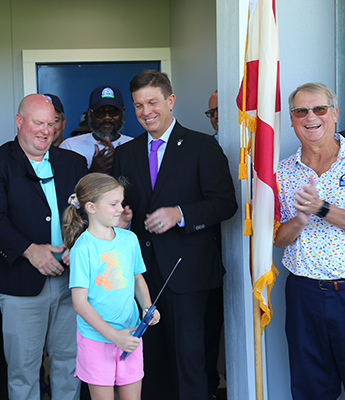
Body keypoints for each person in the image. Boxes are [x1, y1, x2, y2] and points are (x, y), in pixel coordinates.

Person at [111, 70, 237, 400]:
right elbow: (123, 206)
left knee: (189, 364)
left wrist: (180, 214)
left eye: (152, 102)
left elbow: (225, 204)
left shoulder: (201, 145)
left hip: (188, 276)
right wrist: (121, 216)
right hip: (141, 277)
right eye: (138, 105)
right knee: (148, 362)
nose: (146, 112)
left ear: (170, 101)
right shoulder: (126, 153)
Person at [0, 94, 88, 400]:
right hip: (20, 281)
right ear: (20, 121)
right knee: (23, 368)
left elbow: (87, 212)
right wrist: (31, 250)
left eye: (51, 124)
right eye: (38, 122)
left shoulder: (74, 163)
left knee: (70, 363)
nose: (45, 130)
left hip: (70, 279)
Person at [274, 82, 345, 400]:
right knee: (311, 388)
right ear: (291, 119)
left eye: (319, 109)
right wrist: (300, 220)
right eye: (301, 111)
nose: (310, 117)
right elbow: (278, 239)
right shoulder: (282, 173)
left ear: (334, 113)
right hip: (304, 294)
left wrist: (322, 209)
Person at [62, 173, 161, 400]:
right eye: (113, 203)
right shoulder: (82, 248)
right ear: (91, 207)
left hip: (131, 335)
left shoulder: (129, 239)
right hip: (97, 340)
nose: (120, 209)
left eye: (121, 202)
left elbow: (137, 279)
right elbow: (79, 302)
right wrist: (114, 336)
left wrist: (148, 307)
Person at [203, 89, 224, 400]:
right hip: (206, 256)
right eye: (212, 113)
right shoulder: (207, 146)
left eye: (220, 110)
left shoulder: (250, 147)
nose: (217, 116)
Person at [60, 85, 132, 173]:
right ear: (90, 113)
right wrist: (93, 171)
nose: (107, 117)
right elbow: (64, 185)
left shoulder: (134, 147)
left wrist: (119, 166)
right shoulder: (70, 147)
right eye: (100, 112)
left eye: (113, 112)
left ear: (123, 112)